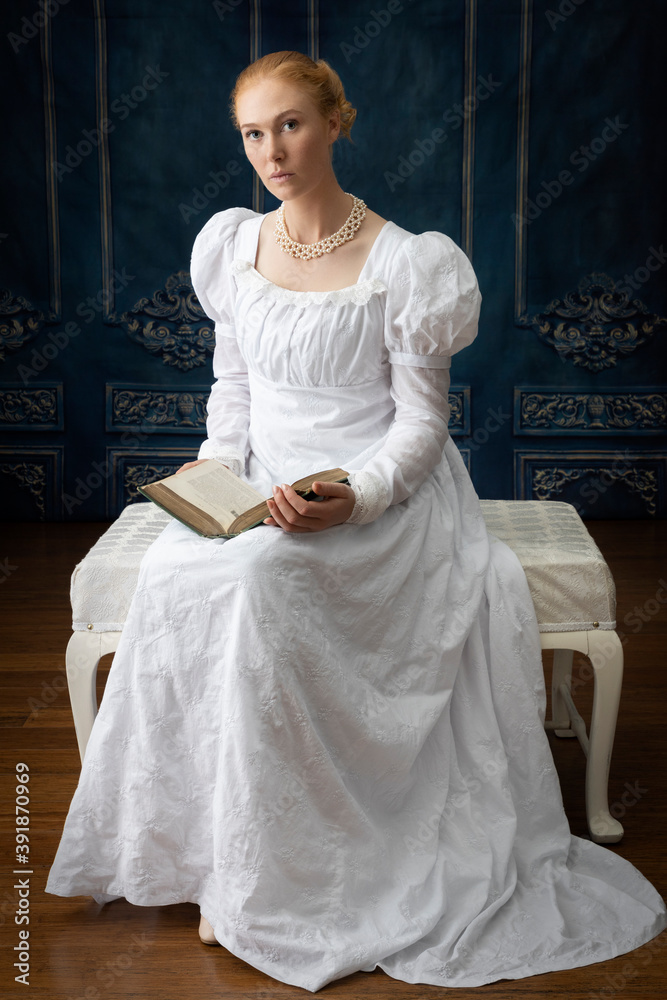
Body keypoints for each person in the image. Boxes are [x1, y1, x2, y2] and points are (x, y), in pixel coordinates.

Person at [47, 51, 666, 991]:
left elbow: (421, 427)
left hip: (380, 496)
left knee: (261, 581)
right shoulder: (234, 245)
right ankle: (218, 857)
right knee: (184, 573)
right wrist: (216, 472)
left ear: (335, 122)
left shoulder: (408, 262)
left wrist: (358, 497)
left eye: (290, 125)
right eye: (253, 133)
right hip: (260, 479)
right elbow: (234, 388)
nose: (271, 151)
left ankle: (293, 884)